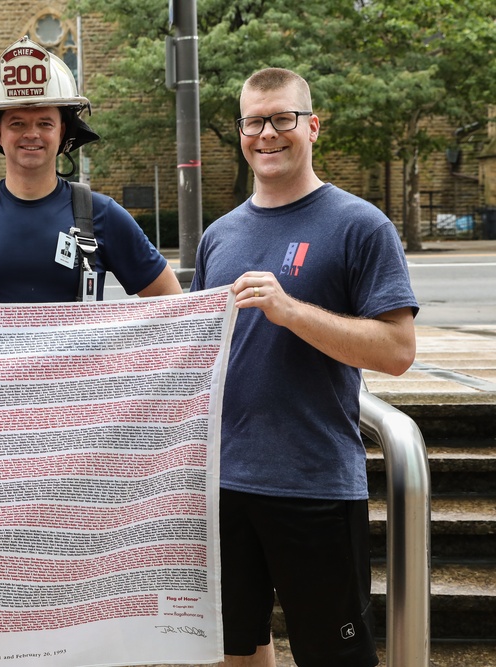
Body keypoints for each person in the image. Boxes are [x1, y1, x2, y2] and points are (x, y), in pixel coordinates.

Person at [190, 68, 418, 667]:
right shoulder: (219, 236)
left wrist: (291, 312)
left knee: (334, 658)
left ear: (311, 126)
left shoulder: (360, 225)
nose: (267, 133)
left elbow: (397, 351)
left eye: (282, 119)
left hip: (314, 482)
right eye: (253, 121)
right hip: (224, 484)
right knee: (234, 652)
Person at [0, 36, 181, 304]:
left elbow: (170, 299)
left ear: (63, 132)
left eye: (45, 123)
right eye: (17, 124)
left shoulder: (102, 215)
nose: (32, 134)